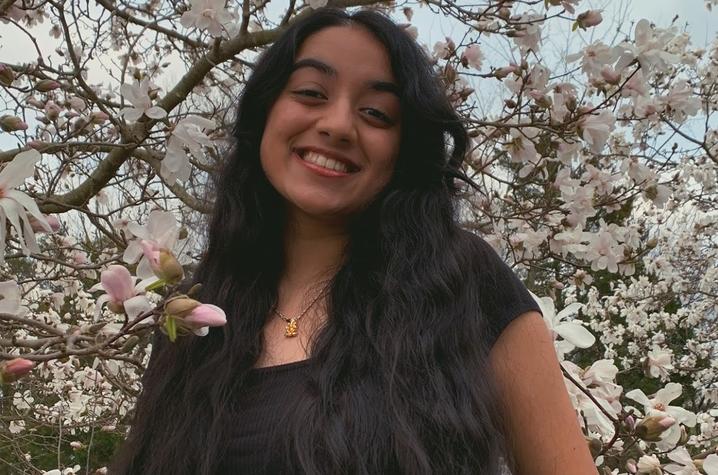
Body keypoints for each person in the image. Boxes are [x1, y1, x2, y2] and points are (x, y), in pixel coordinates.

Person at [111, 7, 596, 475]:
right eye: (310, 92)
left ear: (404, 150)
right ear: (264, 114)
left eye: (376, 113)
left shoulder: (465, 282)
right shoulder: (194, 317)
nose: (339, 125)